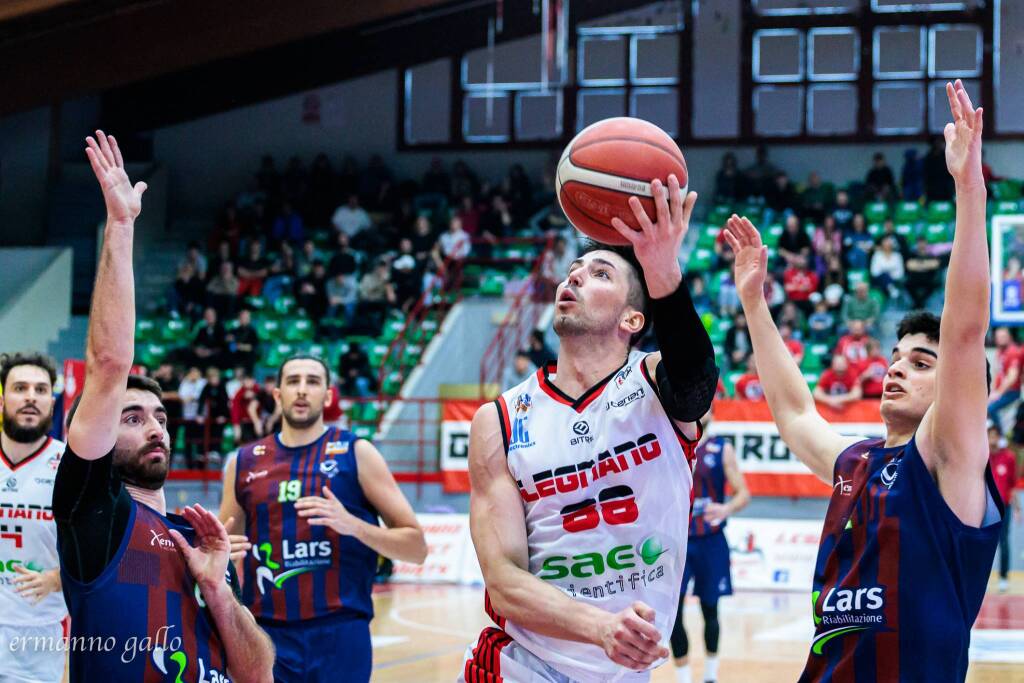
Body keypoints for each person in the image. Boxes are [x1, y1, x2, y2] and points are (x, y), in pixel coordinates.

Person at [721, 82, 1003, 681]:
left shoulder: (949, 462)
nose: (897, 367)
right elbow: (796, 415)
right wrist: (754, 302)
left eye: (920, 363)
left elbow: (963, 333)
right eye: (897, 356)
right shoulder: (859, 462)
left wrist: (968, 188)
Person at [460, 174, 718, 682]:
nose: (573, 278)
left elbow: (697, 384)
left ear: (632, 320)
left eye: (599, 274)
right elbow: (503, 580)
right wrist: (598, 626)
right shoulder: (500, 420)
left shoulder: (653, 383)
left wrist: (662, 268)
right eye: (573, 270)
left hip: (623, 669)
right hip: (519, 665)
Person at [53, 131, 274, 681]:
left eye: (160, 417)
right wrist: (122, 227)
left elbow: (260, 674)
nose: (155, 427)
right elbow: (108, 365)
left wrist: (218, 590)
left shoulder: (203, 540)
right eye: (132, 416)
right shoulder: (94, 514)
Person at [218, 354, 427, 683]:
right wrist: (221, 555)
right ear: (277, 395)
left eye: (312, 382)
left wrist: (353, 525)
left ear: (328, 396)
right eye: (293, 381)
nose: (302, 390)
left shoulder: (356, 453)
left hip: (341, 631)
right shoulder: (243, 462)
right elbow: (223, 549)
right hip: (266, 633)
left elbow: (416, 547)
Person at [0, 352, 67, 683]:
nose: (30, 397)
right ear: (2, 400)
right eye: (20, 388)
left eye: (41, 390)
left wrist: (58, 579)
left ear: (52, 405)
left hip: (38, 634)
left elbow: (103, 548)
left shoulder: (73, 466)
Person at [670, 408, 750, 683]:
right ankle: (683, 678)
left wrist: (726, 509)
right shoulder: (669, 441)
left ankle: (710, 676)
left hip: (711, 541)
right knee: (673, 614)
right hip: (676, 542)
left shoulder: (720, 448)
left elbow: (743, 493)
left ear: (711, 414)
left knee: (710, 609)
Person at [988, 422, 1018, 593]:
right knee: (982, 542)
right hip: (985, 508)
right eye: (989, 435)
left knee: (1004, 542)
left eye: (994, 435)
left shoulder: (1009, 458)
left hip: (1004, 508)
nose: (992, 439)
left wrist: (1017, 508)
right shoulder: (982, 456)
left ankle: (1004, 578)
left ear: (999, 437)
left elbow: (1012, 486)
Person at [988, 326, 1022, 429]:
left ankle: (1000, 438)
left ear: (1009, 337)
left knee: (990, 409)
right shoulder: (1000, 352)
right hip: (1002, 391)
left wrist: (998, 393)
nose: (1001, 339)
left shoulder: (1013, 352)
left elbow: (1012, 377)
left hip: (1011, 392)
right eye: (999, 337)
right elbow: (998, 374)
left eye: (1003, 336)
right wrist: (993, 391)